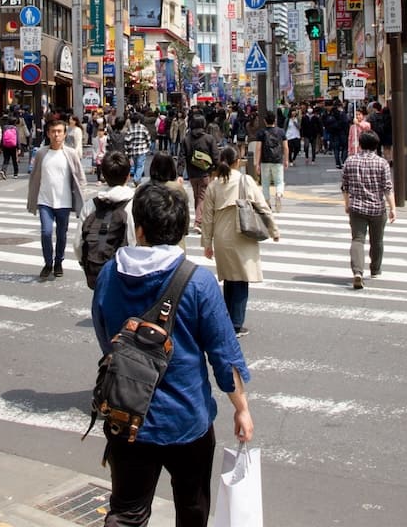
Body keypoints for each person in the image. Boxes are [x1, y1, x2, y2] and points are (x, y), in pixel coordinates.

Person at [92, 183, 253, 527]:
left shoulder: (109, 274)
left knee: (127, 513)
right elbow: (225, 355)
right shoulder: (197, 282)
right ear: (182, 232)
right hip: (186, 419)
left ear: (139, 229)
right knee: (192, 508)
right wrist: (241, 409)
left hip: (127, 415)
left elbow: (106, 336)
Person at [200, 146, 279, 337]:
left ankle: (228, 320)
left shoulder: (214, 185)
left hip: (221, 236)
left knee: (229, 278)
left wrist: (207, 243)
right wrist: (273, 230)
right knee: (242, 279)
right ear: (237, 161)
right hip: (242, 234)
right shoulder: (246, 180)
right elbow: (262, 206)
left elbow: (207, 217)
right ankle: (236, 324)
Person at [26, 119, 86, 280]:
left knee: (61, 234)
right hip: (45, 200)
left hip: (64, 201)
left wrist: (82, 196)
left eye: (59, 131)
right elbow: (34, 176)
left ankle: (59, 261)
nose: (56, 134)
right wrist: (31, 198)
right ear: (48, 133)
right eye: (53, 131)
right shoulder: (41, 153)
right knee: (46, 232)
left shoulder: (71, 154)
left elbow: (80, 177)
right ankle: (48, 263)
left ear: (65, 134)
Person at [341, 132, 396, 289]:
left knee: (357, 239)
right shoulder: (382, 163)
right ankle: (375, 269)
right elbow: (387, 188)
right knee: (377, 240)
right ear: (376, 145)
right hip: (377, 208)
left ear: (360, 143)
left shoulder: (350, 161)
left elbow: (345, 185)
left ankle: (357, 271)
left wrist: (347, 203)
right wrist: (392, 208)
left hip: (356, 206)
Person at [181, 114, 219, 231]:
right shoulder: (209, 139)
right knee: (202, 196)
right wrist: (217, 169)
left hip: (191, 173)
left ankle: (199, 219)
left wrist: (179, 173)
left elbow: (182, 157)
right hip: (205, 172)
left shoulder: (186, 139)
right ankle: (198, 222)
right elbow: (215, 155)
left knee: (197, 196)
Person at [255, 111, 289, 212]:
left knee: (265, 182)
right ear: (275, 120)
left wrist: (257, 163)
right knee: (279, 181)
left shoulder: (261, 132)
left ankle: (267, 202)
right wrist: (286, 159)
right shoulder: (281, 132)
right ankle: (278, 194)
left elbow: (258, 148)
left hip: (265, 160)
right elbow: (286, 147)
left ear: (265, 121)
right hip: (277, 160)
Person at [124, 113, 152, 182]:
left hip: (133, 151)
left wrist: (128, 150)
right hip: (142, 150)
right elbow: (148, 138)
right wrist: (148, 146)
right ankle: (136, 179)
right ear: (139, 120)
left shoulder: (130, 129)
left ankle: (137, 178)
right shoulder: (143, 127)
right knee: (140, 165)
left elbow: (127, 140)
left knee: (136, 165)